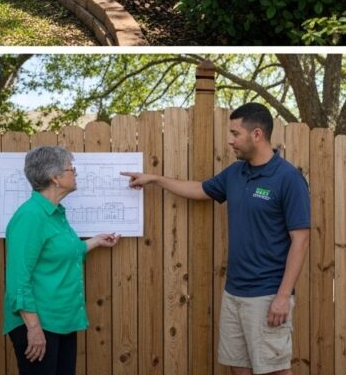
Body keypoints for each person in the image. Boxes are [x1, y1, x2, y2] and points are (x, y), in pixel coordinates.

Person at [123, 102, 310, 375]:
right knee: (238, 366)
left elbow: (301, 241)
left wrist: (283, 296)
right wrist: (154, 179)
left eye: (235, 133)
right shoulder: (237, 172)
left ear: (257, 135)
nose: (229, 140)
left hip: (267, 294)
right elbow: (200, 189)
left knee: (273, 370)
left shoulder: (288, 178)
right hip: (234, 291)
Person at [3, 145, 120, 375]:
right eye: (71, 169)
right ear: (54, 177)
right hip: (37, 323)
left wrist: (95, 241)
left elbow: (61, 252)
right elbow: (18, 279)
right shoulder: (30, 216)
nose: (75, 173)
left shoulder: (56, 213)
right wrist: (34, 328)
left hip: (61, 320)